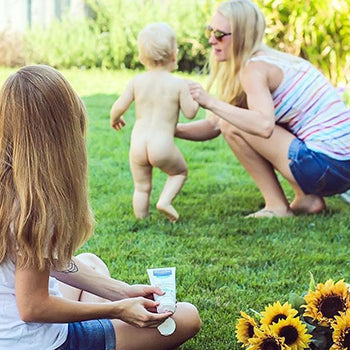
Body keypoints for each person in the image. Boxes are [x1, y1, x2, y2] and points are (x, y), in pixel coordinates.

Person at [0, 65, 201, 350]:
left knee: (92, 262)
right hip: (37, 343)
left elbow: (45, 263)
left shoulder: (11, 185)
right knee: (188, 316)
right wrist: (117, 309)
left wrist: (122, 291)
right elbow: (33, 307)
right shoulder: (36, 204)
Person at [175, 0, 350, 217]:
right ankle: (307, 199)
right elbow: (214, 125)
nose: (211, 40)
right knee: (232, 119)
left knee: (234, 122)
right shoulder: (269, 61)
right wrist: (172, 129)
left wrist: (210, 101)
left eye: (219, 34)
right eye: (210, 30)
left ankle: (276, 206)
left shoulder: (254, 69)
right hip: (340, 165)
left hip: (326, 165)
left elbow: (263, 126)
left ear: (241, 36)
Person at [110, 23, 199, 222]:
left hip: (138, 144)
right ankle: (165, 201)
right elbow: (190, 112)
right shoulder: (178, 84)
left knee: (141, 187)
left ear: (142, 57)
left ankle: (141, 219)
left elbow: (118, 106)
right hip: (162, 144)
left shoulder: (136, 81)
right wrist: (197, 98)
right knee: (179, 172)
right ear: (174, 55)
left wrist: (115, 119)